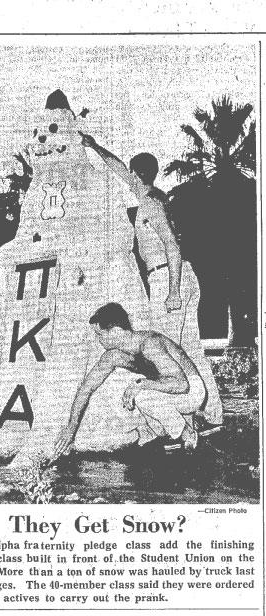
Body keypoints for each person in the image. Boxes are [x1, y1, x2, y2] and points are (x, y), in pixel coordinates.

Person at [79, 132, 222, 427]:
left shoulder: (153, 204)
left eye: (131, 174)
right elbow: (118, 168)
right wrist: (96, 147)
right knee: (189, 348)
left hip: (169, 277)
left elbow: (172, 245)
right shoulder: (146, 196)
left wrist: (172, 290)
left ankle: (186, 419)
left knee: (167, 350)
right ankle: (209, 413)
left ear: (136, 174)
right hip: (173, 276)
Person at [53, 302, 207, 460]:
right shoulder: (113, 356)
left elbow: (182, 385)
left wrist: (142, 384)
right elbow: (86, 389)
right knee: (132, 388)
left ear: (115, 332)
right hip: (170, 393)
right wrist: (70, 429)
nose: (97, 340)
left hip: (192, 391)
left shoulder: (150, 343)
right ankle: (165, 430)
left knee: (140, 392)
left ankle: (187, 433)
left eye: (100, 334)